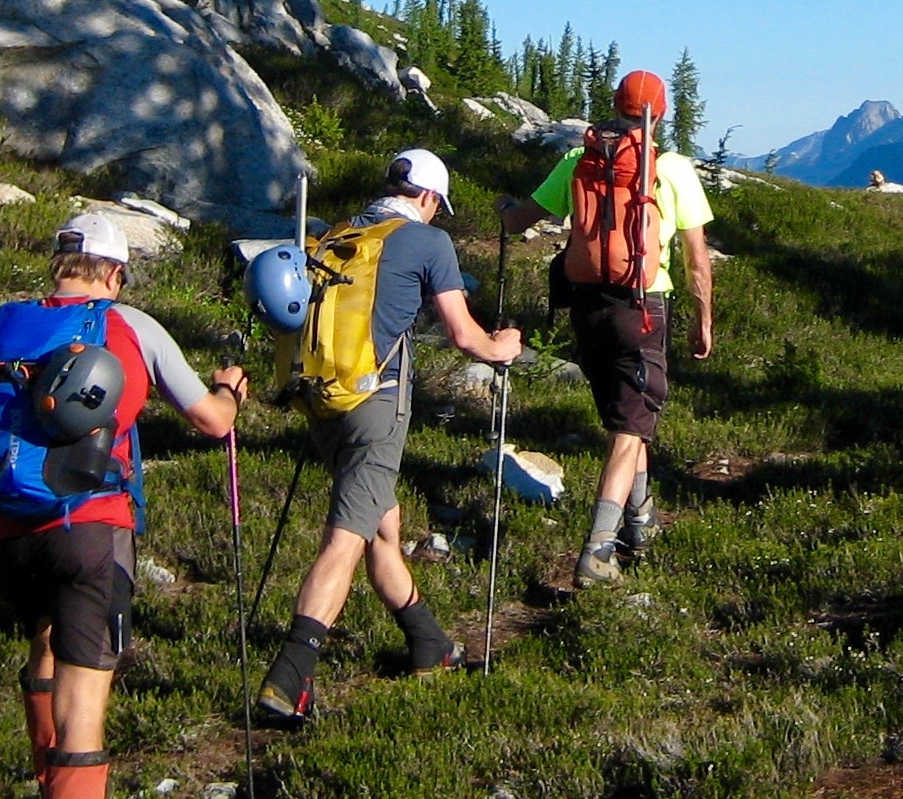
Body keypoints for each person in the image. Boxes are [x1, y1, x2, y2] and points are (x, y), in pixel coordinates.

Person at [0, 208, 246, 799]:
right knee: (85, 700)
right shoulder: (129, 325)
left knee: (43, 652)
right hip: (91, 528)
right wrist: (231, 388)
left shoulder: (2, 324)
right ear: (115, 272)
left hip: (6, 526)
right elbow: (210, 421)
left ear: (60, 260)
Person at [255, 148, 523, 724]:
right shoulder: (428, 241)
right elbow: (464, 334)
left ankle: (428, 644)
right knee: (344, 541)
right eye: (438, 205)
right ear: (428, 198)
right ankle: (288, 677)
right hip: (376, 405)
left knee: (383, 526)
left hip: (323, 400)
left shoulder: (339, 236)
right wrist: (503, 348)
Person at [498, 72, 715, 588]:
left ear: (613, 108)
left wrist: (506, 209)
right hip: (642, 308)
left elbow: (518, 221)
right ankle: (597, 551)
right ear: (659, 114)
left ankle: (641, 522)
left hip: (587, 307)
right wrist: (704, 318)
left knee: (626, 416)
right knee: (630, 430)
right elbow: (697, 258)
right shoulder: (671, 168)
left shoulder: (578, 161)